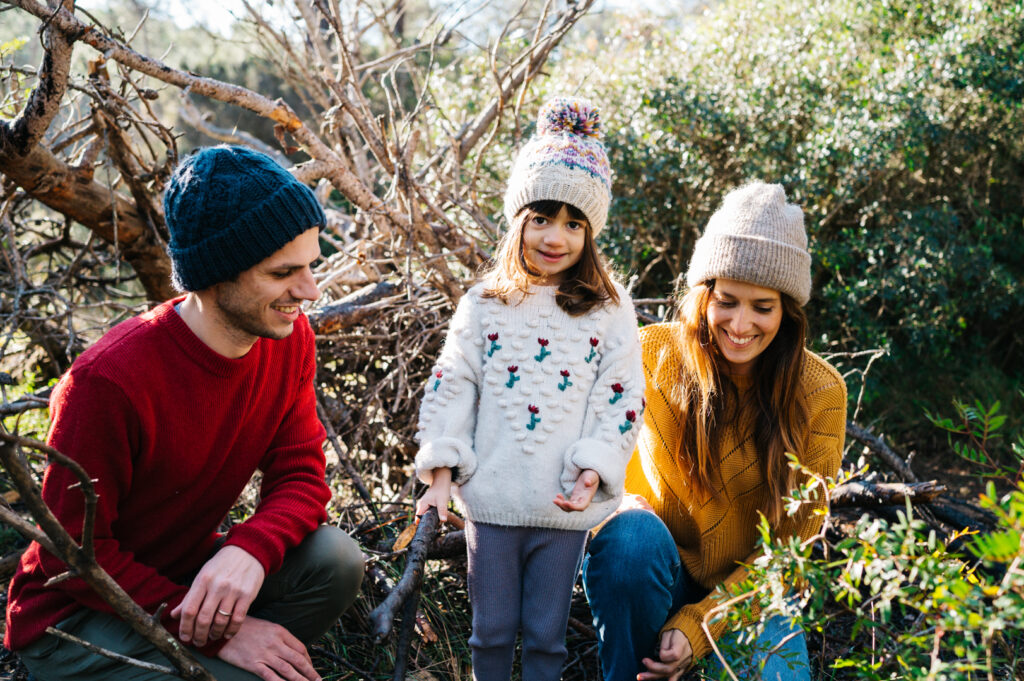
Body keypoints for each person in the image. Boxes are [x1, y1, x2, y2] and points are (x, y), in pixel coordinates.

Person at [5, 146, 365, 681]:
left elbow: (302, 474)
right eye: (283, 272)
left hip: (181, 573)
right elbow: (73, 557)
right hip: (75, 616)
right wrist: (224, 633)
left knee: (335, 559)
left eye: (310, 265)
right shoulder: (107, 382)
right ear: (217, 275)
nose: (309, 291)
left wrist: (249, 551)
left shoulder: (290, 340)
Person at [413, 97, 644, 681]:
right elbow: (452, 382)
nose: (555, 236)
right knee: (489, 632)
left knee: (545, 638)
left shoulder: (609, 309)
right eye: (541, 217)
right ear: (518, 219)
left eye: (573, 222)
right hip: (490, 505)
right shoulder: (485, 305)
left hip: (562, 505)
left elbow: (619, 397)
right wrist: (440, 475)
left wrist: (595, 465)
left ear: (590, 233)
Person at [581, 182, 847, 681]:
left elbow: (789, 553)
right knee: (630, 538)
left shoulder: (820, 392)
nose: (740, 324)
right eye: (727, 301)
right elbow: (575, 446)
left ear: (786, 311)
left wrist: (701, 627)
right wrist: (608, 506)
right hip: (656, 566)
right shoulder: (650, 353)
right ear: (704, 295)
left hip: (751, 593)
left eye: (761, 307)